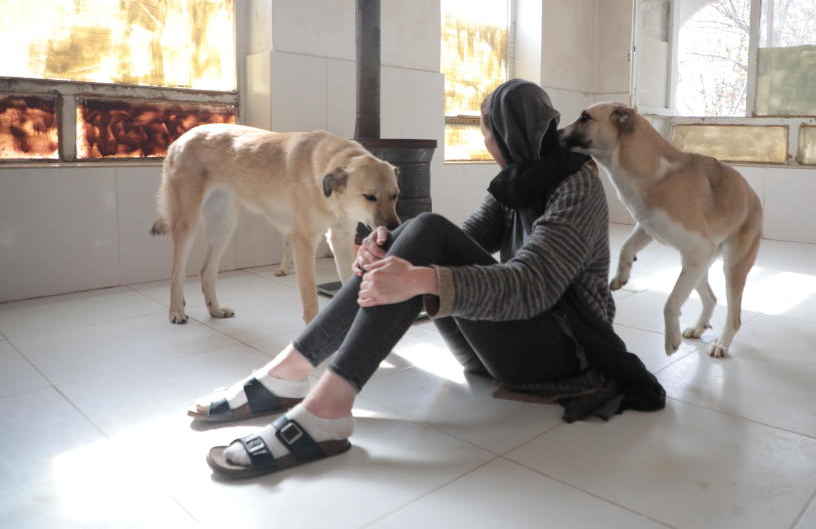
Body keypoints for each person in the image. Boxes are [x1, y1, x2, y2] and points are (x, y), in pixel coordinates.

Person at [194, 79, 665, 479]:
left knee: (424, 237)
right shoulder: (521, 181)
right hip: (505, 347)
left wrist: (419, 277)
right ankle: (288, 373)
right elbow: (459, 239)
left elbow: (530, 287)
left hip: (562, 352)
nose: (486, 144)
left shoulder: (576, 187)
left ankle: (324, 409)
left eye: (487, 133)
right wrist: (389, 253)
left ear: (508, 134)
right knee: (418, 234)